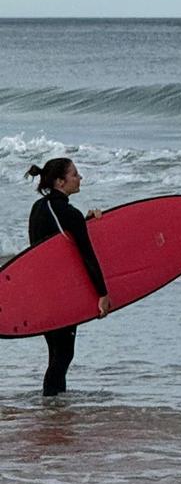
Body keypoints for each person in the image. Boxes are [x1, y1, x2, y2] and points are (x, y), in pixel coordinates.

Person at [26, 158, 111, 397]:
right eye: (75, 174)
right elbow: (86, 255)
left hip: (42, 292)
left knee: (57, 352)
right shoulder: (67, 212)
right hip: (62, 294)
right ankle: (53, 406)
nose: (80, 177)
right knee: (63, 355)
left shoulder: (39, 208)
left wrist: (86, 223)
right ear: (60, 181)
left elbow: (53, 245)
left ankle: (54, 408)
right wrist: (102, 294)